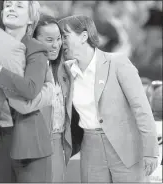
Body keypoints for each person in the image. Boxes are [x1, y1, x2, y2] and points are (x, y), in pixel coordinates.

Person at [58, 15, 159, 183]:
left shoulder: (117, 62)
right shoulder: (66, 71)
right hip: (90, 148)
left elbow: (141, 108)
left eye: (65, 36)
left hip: (126, 149)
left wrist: (150, 151)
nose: (61, 42)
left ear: (83, 36)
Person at [6, 15, 73, 182]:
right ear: (34, 40)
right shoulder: (22, 68)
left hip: (58, 146)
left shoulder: (65, 71)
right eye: (49, 39)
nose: (56, 45)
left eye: (58, 39)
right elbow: (22, 104)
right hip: (31, 146)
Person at [0, 1, 53, 182]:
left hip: (30, 145)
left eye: (19, 6)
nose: (11, 8)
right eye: (8, 5)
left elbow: (30, 89)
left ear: (31, 17)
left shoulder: (36, 48)